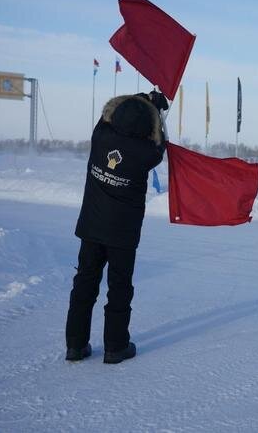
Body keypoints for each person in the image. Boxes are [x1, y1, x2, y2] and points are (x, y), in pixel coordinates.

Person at [65, 90, 168, 364]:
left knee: (84, 283)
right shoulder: (147, 154)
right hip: (123, 234)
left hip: (91, 227)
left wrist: (141, 98)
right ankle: (115, 346)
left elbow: (107, 113)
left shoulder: (100, 137)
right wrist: (156, 110)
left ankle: (75, 345)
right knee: (119, 287)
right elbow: (161, 141)